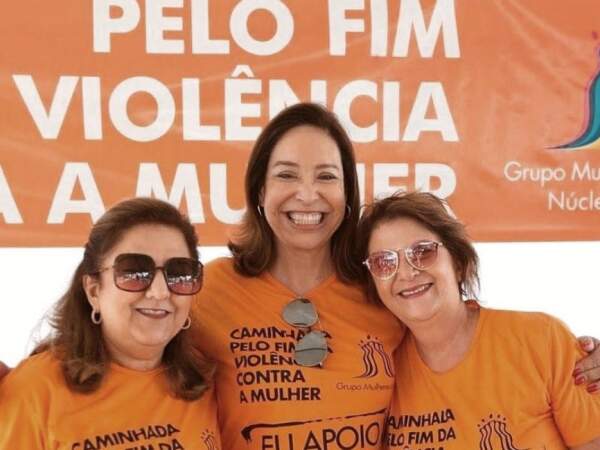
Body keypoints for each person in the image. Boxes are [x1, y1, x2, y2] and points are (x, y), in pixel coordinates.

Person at [190, 102, 600, 450]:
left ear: (347, 194)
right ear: (259, 191)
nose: (308, 194)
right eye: (286, 174)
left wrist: (574, 356)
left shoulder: (380, 295)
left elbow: (474, 348)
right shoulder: (208, 293)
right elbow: (141, 360)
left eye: (327, 176)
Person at [358, 191, 600, 449]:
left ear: (459, 262)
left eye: (422, 252)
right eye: (384, 262)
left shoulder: (542, 339)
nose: (406, 272)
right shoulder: (380, 373)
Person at [0, 198, 221, 449]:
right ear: (94, 291)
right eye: (135, 272)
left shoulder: (205, 381)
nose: (160, 292)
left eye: (179, 273)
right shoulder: (36, 390)